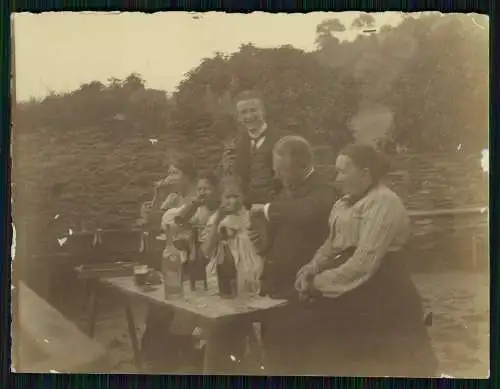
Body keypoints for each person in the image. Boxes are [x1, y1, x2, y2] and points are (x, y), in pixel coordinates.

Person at [294, 143, 439, 377]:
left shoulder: (383, 201)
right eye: (336, 171)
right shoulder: (343, 203)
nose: (337, 178)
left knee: (394, 365)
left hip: (385, 290)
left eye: (343, 171)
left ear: (365, 173)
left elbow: (364, 261)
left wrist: (318, 283)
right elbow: (331, 244)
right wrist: (312, 268)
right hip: (351, 288)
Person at [249, 135, 338, 374]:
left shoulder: (325, 190)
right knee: (276, 356)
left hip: (303, 290)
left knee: (301, 360)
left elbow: (307, 213)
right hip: (277, 286)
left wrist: (267, 209)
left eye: (281, 170)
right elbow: (274, 236)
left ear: (303, 166)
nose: (277, 176)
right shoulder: (283, 191)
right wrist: (261, 242)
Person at [140, 151, 203, 372]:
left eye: (175, 172)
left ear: (188, 175)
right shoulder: (173, 197)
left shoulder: (198, 195)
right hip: (170, 255)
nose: (170, 176)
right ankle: (155, 354)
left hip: (192, 256)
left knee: (179, 306)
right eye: (169, 172)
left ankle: (177, 354)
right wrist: (156, 196)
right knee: (160, 302)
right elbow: (153, 223)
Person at [221, 90, 282, 206]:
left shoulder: (281, 140)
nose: (249, 116)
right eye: (243, 112)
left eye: (253, 110)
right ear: (238, 117)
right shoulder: (236, 144)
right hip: (246, 208)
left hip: (275, 207)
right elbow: (235, 180)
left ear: (263, 112)